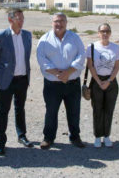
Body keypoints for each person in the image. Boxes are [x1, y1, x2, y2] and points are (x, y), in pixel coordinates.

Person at [37, 12, 85, 150]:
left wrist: (68, 72)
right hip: (52, 85)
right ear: (52, 23)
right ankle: (48, 138)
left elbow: (81, 55)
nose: (59, 24)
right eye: (56, 21)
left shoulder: (75, 38)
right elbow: (41, 59)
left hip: (72, 83)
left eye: (62, 21)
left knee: (74, 111)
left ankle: (75, 137)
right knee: (51, 112)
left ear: (66, 22)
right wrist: (58, 74)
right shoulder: (44, 39)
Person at [0, 8, 33, 156]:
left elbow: (26, 57)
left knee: (20, 108)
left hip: (22, 79)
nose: (21, 21)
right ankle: (1, 141)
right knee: (3, 110)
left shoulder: (27, 35)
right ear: (10, 20)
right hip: (6, 81)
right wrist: (3, 73)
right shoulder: (1, 36)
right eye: (18, 19)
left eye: (22, 18)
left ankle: (21, 135)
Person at [86, 23, 119, 148]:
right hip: (97, 82)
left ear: (110, 33)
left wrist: (109, 81)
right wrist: (98, 81)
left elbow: (117, 66)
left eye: (107, 31)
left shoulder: (115, 48)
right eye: (102, 31)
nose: (105, 33)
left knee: (109, 110)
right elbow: (90, 65)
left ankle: (106, 135)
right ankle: (97, 136)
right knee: (97, 110)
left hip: (111, 82)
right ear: (98, 33)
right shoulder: (92, 47)